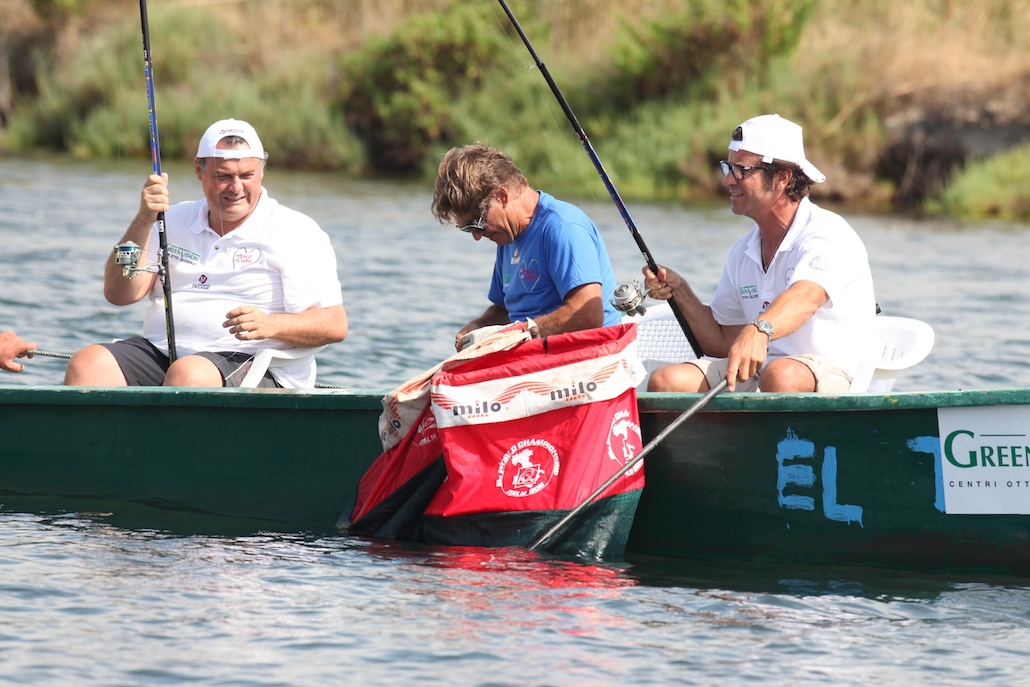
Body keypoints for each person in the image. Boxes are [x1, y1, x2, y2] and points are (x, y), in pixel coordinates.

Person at [63, 118, 348, 388]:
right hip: (164, 353)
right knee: (87, 363)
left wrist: (269, 324)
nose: (236, 188)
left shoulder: (296, 230)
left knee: (188, 374)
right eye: (222, 176)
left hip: (258, 364)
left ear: (261, 171)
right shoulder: (169, 219)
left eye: (247, 175)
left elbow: (335, 324)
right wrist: (142, 219)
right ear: (199, 171)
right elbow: (117, 292)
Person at [643, 114, 876, 393]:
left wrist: (758, 331)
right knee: (666, 382)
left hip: (831, 373)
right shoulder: (741, 251)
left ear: (782, 177)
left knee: (780, 376)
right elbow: (721, 341)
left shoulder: (828, 233)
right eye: (727, 167)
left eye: (741, 170)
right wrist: (678, 290)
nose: (728, 180)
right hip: (760, 374)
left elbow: (805, 298)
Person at [431, 144, 622, 351]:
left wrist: (520, 333)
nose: (477, 236)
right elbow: (504, 310)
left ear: (501, 196)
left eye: (477, 223)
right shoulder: (505, 236)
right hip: (536, 356)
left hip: (591, 357)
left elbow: (588, 315)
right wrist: (478, 326)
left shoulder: (563, 227)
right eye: (467, 229)